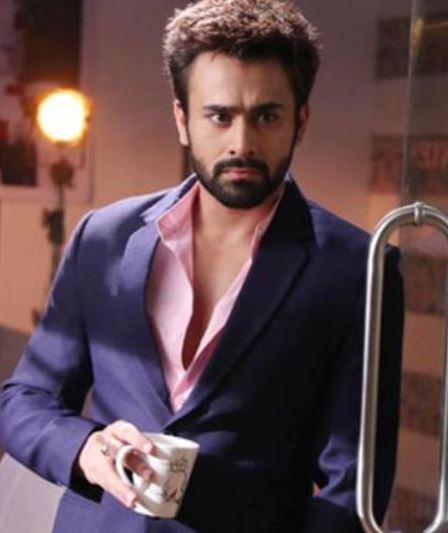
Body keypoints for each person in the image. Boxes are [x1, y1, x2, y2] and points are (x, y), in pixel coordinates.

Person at [0, 1, 404, 531]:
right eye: (219, 116)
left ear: (300, 121)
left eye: (267, 116)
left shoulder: (358, 270)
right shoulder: (103, 238)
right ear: (182, 120)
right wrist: (86, 449)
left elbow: (353, 483)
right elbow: (25, 400)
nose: (242, 143)